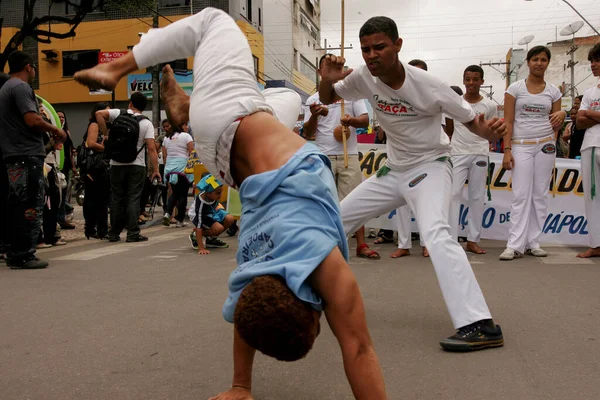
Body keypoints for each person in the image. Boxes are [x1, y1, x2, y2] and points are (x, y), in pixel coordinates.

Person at [74, 8, 387, 399]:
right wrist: (239, 386)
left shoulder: (327, 268)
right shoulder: (252, 264)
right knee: (286, 98)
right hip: (224, 160)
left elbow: (359, 348)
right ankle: (186, 109)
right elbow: (249, 310)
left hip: (232, 121)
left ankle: (120, 68)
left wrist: (242, 385)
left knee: (214, 21)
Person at [319, 16, 506, 351]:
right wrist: (326, 80)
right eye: (365, 49)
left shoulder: (430, 86)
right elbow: (329, 96)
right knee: (332, 221)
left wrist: (488, 134)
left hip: (430, 168)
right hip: (393, 171)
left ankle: (480, 324)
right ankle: (308, 296)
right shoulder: (364, 76)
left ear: (398, 45)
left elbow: (471, 122)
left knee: (435, 232)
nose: (372, 55)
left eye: (379, 47)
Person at [303, 54, 380, 260]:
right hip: (323, 157)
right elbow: (307, 133)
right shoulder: (313, 100)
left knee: (355, 201)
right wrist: (315, 115)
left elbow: (365, 121)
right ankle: (326, 245)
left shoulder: (352, 95)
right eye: (326, 68)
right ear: (320, 72)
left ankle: (361, 244)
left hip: (349, 155)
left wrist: (350, 120)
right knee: (324, 202)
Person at [0, 51, 66, 269]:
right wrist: (55, 129)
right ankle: (24, 254)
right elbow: (31, 119)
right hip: (27, 155)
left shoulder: (5, 88)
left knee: (16, 203)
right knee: (30, 204)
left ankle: (14, 251)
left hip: (13, 154)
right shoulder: (21, 88)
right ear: (28, 67)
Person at [500, 46, 566, 261]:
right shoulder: (515, 89)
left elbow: (556, 121)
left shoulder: (554, 91)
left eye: (544, 60)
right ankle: (514, 245)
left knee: (540, 194)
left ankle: (533, 242)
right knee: (521, 195)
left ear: (548, 63)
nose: (539, 63)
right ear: (527, 62)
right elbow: (508, 121)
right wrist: (507, 150)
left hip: (545, 145)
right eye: (535, 59)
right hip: (521, 145)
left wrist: (562, 114)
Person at [95, 92, 160, 243]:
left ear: (130, 103)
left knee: (117, 198)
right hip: (136, 165)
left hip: (116, 164)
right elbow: (151, 148)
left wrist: (106, 134)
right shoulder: (146, 123)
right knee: (133, 198)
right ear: (144, 108)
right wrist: (156, 170)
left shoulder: (118, 113)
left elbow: (98, 114)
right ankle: (132, 233)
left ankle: (114, 233)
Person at [448, 65, 498, 255]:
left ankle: (472, 239)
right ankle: (451, 240)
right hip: (458, 153)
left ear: (482, 82)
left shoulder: (490, 106)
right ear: (463, 80)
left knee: (476, 197)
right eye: (467, 79)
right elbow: (449, 130)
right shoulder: (455, 102)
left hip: (480, 152)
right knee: (453, 195)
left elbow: (492, 131)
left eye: (475, 79)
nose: (471, 83)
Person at [575, 43, 600, 258]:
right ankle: (596, 244)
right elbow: (579, 121)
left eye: (597, 60)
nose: (593, 65)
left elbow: (586, 116)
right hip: (590, 147)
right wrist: (591, 114)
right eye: (592, 61)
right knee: (592, 197)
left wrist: (591, 113)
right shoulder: (590, 92)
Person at [82, 102, 111, 239]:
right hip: (95, 167)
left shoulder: (106, 127)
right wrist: (107, 149)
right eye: (106, 111)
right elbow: (91, 143)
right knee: (95, 199)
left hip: (102, 166)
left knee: (101, 199)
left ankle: (100, 229)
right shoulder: (94, 125)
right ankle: (93, 229)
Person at [188, 173, 235, 254]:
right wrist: (201, 248)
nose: (220, 195)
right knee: (218, 228)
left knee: (230, 219)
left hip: (210, 211)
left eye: (221, 192)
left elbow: (216, 205)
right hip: (199, 215)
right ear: (208, 193)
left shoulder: (212, 194)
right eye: (218, 193)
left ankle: (210, 238)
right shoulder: (201, 203)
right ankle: (196, 235)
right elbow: (199, 223)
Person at [162, 121, 195, 228]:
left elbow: (165, 155)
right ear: (180, 126)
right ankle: (179, 220)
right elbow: (192, 153)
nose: (187, 127)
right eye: (185, 125)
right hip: (182, 169)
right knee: (183, 195)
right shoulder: (186, 136)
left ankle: (167, 213)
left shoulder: (167, 138)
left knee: (175, 193)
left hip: (169, 169)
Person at [56, 110, 76, 229]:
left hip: (66, 165)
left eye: (63, 117)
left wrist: (73, 166)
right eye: (59, 117)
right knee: (60, 193)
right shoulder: (54, 130)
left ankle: (63, 216)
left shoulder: (66, 132)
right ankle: (63, 215)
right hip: (58, 165)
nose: (61, 119)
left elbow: (70, 151)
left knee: (65, 192)